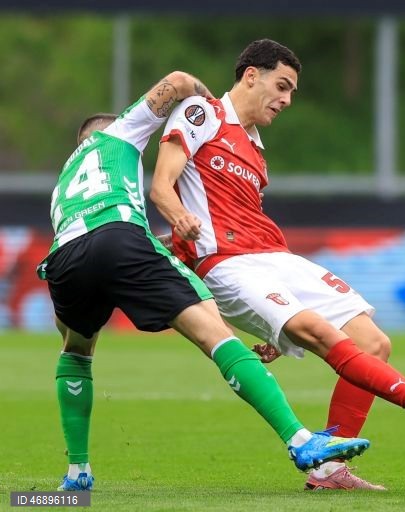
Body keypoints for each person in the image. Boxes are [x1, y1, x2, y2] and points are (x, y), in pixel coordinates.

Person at [150, 39, 405, 491]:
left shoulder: (256, 151)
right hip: (227, 264)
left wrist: (275, 327)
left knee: (374, 342)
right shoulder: (203, 113)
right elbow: (161, 183)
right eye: (282, 86)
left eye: (293, 92)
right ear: (250, 75)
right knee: (322, 335)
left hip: (276, 258)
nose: (287, 100)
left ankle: (330, 471)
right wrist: (179, 216)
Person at [38, 71, 370, 492]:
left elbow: (96, 255)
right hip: (119, 235)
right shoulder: (118, 133)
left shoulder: (63, 184)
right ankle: (301, 441)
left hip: (65, 256)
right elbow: (176, 81)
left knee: (76, 353)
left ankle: (76, 474)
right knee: (216, 333)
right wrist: (212, 106)